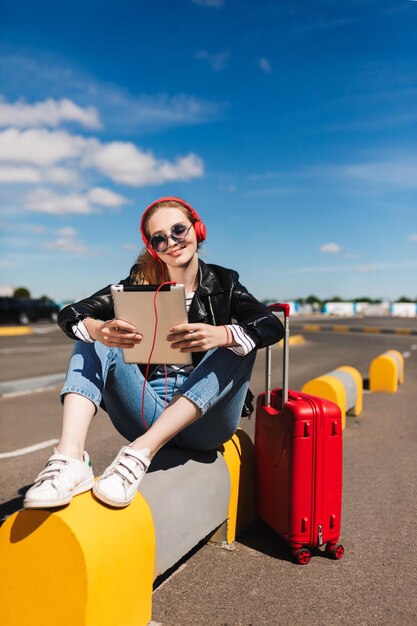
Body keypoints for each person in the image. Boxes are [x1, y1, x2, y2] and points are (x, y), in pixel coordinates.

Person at [23, 197, 284, 509]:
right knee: (94, 332)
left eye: (178, 230)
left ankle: (140, 453)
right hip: (143, 411)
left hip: (205, 424)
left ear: (197, 229)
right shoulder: (136, 283)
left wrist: (220, 333)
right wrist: (98, 329)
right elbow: (73, 313)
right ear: (152, 247)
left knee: (239, 341)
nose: (171, 242)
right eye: (159, 238)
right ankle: (70, 458)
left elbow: (270, 325)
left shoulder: (225, 282)